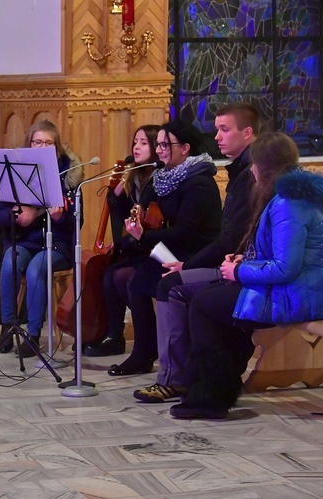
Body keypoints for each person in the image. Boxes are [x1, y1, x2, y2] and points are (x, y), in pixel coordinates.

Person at [170, 132, 323, 419]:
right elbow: (285, 256)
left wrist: (239, 271)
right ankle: (218, 390)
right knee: (211, 301)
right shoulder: (292, 196)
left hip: (300, 296)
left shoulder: (288, 203)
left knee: (204, 305)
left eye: (254, 165)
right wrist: (247, 259)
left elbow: (286, 268)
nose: (252, 171)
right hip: (298, 289)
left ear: (262, 167)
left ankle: (210, 397)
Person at [134, 103, 259, 403]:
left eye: (224, 129)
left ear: (248, 132)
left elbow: (226, 237)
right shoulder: (239, 170)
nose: (216, 136)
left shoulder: (243, 175)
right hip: (234, 261)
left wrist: (187, 265)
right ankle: (173, 371)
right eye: (216, 129)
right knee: (140, 278)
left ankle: (178, 378)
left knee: (172, 285)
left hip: (241, 266)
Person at [106, 120, 223, 376]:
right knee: (125, 276)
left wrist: (142, 237)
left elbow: (185, 233)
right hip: (169, 248)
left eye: (164, 145)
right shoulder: (163, 177)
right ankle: (144, 350)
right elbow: (142, 210)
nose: (159, 150)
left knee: (138, 278)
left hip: (195, 252)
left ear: (185, 148)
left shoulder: (198, 183)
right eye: (157, 144)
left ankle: (150, 351)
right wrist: (129, 212)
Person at [0, 120, 83, 358]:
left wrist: (61, 216)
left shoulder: (68, 175)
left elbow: (77, 223)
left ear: (57, 147)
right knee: (10, 262)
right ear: (29, 144)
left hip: (57, 245)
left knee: (35, 270)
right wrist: (16, 215)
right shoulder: (16, 171)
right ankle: (7, 326)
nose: (42, 147)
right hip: (23, 241)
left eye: (48, 143)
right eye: (37, 142)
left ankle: (33, 334)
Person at [84, 124, 159, 357]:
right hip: (138, 242)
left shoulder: (157, 179)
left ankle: (146, 339)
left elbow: (147, 220)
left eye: (143, 143)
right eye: (135, 142)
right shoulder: (136, 176)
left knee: (122, 275)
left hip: (154, 246)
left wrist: (121, 244)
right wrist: (116, 193)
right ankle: (112, 335)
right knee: (109, 273)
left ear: (158, 147)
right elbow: (128, 216)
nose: (136, 147)